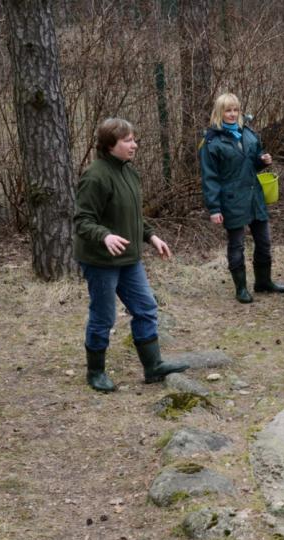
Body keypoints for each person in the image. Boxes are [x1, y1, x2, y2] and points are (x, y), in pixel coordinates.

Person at [74, 117, 188, 392]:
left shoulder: (129, 172)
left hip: (129, 259)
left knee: (146, 308)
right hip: (101, 261)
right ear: (110, 144)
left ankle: (153, 366)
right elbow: (82, 220)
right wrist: (105, 235)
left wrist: (151, 236)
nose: (134, 145)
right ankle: (96, 372)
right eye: (128, 140)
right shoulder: (95, 176)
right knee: (103, 316)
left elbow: (133, 216)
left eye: (134, 139)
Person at [199, 92, 284, 303]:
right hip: (231, 199)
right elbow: (209, 178)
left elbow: (253, 163)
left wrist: (263, 161)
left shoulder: (248, 134)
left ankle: (263, 282)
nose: (232, 114)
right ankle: (241, 288)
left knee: (264, 241)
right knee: (237, 244)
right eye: (227, 110)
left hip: (254, 196)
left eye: (235, 110)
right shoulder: (211, 142)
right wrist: (214, 209)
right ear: (219, 113)